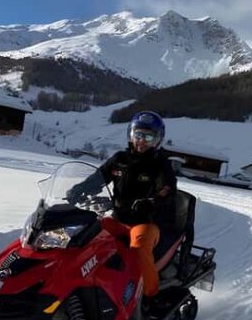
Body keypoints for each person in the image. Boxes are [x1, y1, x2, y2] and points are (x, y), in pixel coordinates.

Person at [67, 111, 177, 302]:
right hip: (117, 218)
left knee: (139, 250)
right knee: (85, 238)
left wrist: (151, 203)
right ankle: (79, 285)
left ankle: (150, 296)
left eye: (149, 137)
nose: (142, 141)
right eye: (139, 135)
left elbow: (166, 190)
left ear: (157, 140)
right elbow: (98, 177)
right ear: (131, 134)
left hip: (145, 222)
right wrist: (80, 189)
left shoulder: (160, 164)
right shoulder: (120, 159)